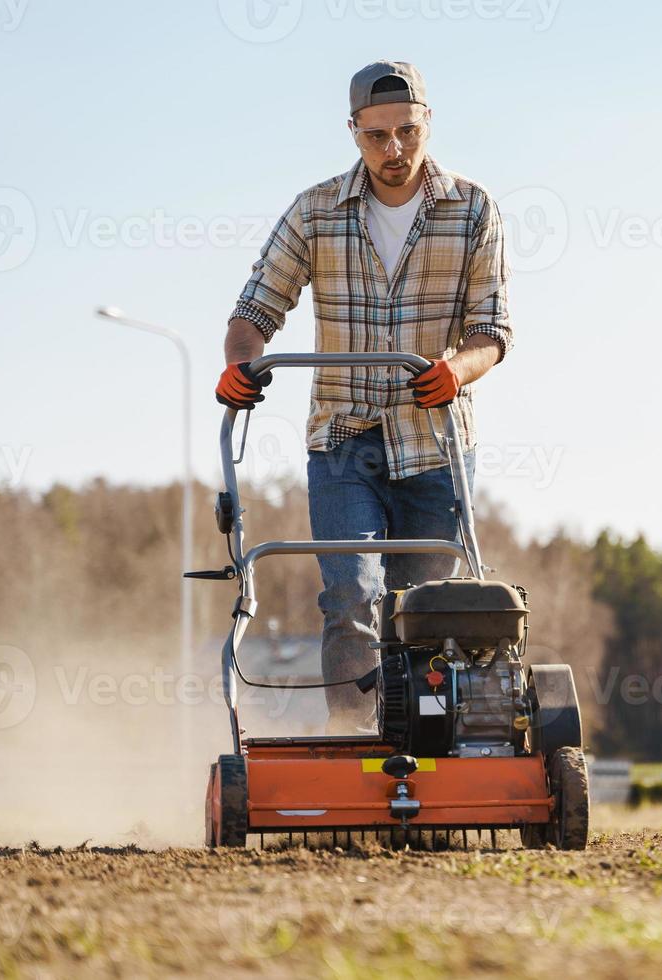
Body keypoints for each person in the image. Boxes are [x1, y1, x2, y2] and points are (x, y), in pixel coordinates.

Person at [215, 60, 511, 733]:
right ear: (353, 131)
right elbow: (255, 311)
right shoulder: (317, 210)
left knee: (427, 607)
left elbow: (492, 330)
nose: (394, 150)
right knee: (351, 593)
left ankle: (425, 744)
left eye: (407, 131)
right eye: (377, 136)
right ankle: (352, 742)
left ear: (428, 122)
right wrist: (241, 366)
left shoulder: (473, 209)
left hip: (435, 446)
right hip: (343, 441)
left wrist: (457, 370)